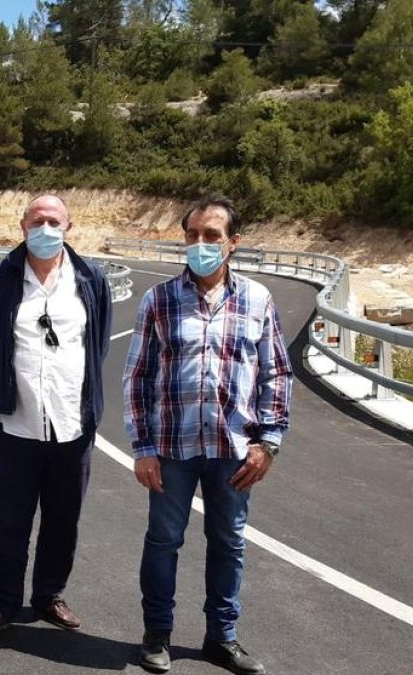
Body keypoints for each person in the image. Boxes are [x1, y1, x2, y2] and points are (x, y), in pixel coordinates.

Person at [123, 195, 292, 675]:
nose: (201, 244)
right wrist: (142, 447)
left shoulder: (257, 300)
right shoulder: (158, 300)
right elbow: (136, 376)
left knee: (229, 542)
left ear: (233, 243)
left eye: (212, 236)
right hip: (172, 449)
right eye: (193, 235)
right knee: (163, 541)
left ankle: (223, 638)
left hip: (233, 450)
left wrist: (268, 441)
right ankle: (157, 635)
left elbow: (276, 373)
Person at [0, 194, 113, 643]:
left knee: (63, 520)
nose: (46, 228)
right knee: (12, 522)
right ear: (22, 225)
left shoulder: (90, 279)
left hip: (73, 426)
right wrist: (4, 387)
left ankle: (49, 595)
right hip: (17, 428)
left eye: (55, 221)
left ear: (70, 227)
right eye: (37, 220)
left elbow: (98, 344)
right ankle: (3, 602)